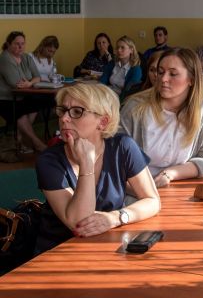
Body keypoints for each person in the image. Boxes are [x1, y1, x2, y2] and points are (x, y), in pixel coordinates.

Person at [35, 83, 160, 254]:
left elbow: (153, 201)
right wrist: (86, 163)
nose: (64, 118)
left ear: (103, 121)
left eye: (77, 112)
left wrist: (116, 217)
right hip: (58, 252)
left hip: (107, 246)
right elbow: (79, 221)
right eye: (63, 110)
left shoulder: (122, 147)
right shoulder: (49, 160)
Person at [120, 47, 203, 188]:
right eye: (160, 72)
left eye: (173, 74)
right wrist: (143, 192)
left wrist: (171, 173)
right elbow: (115, 158)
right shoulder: (135, 108)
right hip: (134, 191)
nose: (163, 79)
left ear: (191, 79)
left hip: (178, 188)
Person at [0, 31, 47, 152]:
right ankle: (36, 142)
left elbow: (37, 76)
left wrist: (30, 83)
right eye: (17, 44)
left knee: (39, 102)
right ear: (9, 44)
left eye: (22, 44)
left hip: (23, 96)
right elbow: (15, 83)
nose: (20, 47)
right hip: (6, 99)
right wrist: (31, 81)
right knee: (20, 110)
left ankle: (21, 138)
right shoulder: (5, 58)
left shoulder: (26, 57)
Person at [100, 35, 142, 100]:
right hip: (106, 94)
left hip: (121, 99)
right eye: (117, 48)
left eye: (122, 47)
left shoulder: (135, 70)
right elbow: (103, 80)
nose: (119, 50)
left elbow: (128, 93)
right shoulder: (112, 63)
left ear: (131, 50)